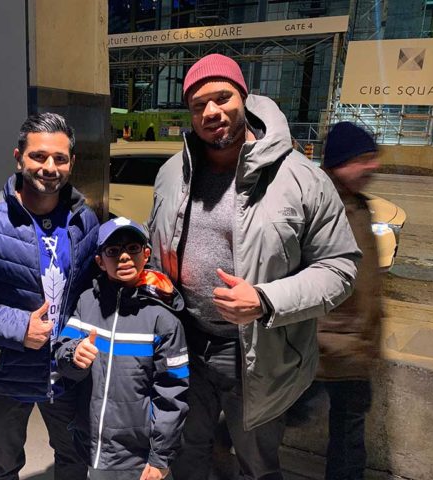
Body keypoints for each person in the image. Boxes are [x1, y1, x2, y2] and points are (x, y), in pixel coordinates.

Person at [146, 53, 362, 479]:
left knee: (256, 464)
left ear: (243, 97)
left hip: (254, 353)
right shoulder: (172, 172)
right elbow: (158, 246)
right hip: (183, 342)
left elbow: (341, 268)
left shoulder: (301, 178)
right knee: (185, 453)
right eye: (197, 105)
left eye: (222, 97)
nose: (211, 112)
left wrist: (265, 299)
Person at [0, 113, 99, 480]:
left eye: (60, 158)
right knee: (4, 464)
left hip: (68, 369)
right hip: (6, 371)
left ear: (71, 162)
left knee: (74, 457)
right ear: (18, 157)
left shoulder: (84, 219)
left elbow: (92, 288)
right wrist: (18, 325)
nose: (49, 167)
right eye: (39, 156)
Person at [55, 217, 189, 480]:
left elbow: (173, 394)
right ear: (99, 261)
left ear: (146, 254)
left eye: (133, 248)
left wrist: (161, 457)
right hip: (91, 444)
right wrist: (74, 354)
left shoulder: (164, 319)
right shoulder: (87, 303)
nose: (124, 257)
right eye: (113, 251)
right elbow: (62, 352)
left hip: (138, 455)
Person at [315, 122, 383, 479]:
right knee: (288, 414)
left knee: (349, 438)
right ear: (339, 162)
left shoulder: (358, 204)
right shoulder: (321, 205)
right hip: (326, 349)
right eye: (363, 159)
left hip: (353, 347)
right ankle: (222, 439)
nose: (372, 167)